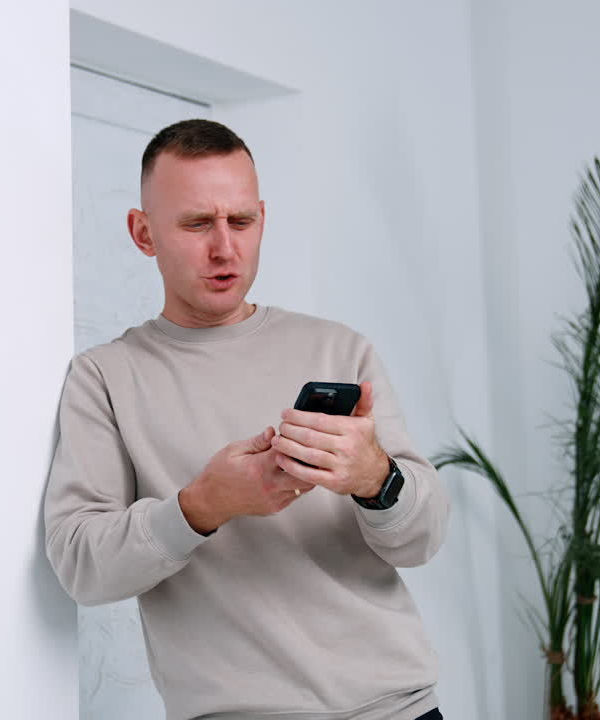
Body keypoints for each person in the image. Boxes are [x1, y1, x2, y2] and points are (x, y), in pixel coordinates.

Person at [45, 119, 449, 720]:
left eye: (241, 221)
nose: (224, 248)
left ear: (262, 217)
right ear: (143, 232)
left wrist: (375, 477)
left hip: (399, 711)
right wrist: (201, 506)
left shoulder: (341, 350)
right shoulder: (104, 378)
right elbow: (81, 566)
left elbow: (423, 539)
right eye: (196, 223)